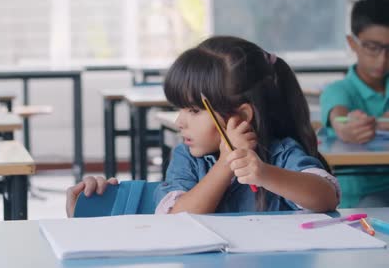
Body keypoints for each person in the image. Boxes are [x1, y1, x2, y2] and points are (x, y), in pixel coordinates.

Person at [67, 36, 340, 216]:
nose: (179, 121)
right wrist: (224, 164)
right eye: (179, 109)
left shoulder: (281, 154)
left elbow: (326, 197)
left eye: (194, 110)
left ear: (241, 117)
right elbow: (178, 217)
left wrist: (264, 174)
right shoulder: (187, 158)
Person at [320, 0, 389, 207]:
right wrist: (347, 126)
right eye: (372, 47)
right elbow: (339, 115)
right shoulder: (338, 91)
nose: (382, 58)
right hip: (358, 201)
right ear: (352, 43)